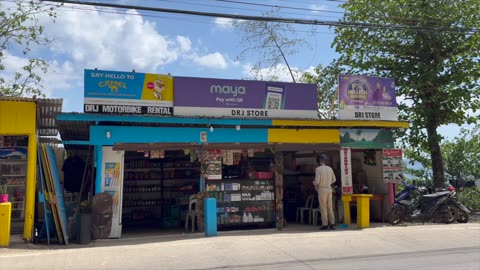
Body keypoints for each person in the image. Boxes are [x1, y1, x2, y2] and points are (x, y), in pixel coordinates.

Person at [313, 154, 336, 230]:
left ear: (319, 161)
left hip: (322, 189)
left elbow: (317, 181)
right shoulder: (330, 169)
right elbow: (334, 179)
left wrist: (314, 183)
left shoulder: (318, 169)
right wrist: (328, 182)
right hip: (329, 188)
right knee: (330, 207)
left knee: (323, 207)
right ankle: (332, 224)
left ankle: (325, 224)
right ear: (325, 161)